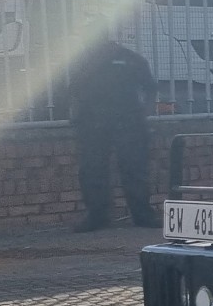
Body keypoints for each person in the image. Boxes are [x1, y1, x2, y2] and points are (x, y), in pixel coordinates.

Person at [67, 20, 158, 231]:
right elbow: (73, 90)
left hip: (128, 122)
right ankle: (97, 217)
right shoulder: (82, 61)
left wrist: (143, 115)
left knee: (134, 168)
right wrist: (76, 116)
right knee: (92, 169)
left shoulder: (127, 58)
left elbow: (150, 88)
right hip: (92, 123)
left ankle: (142, 216)